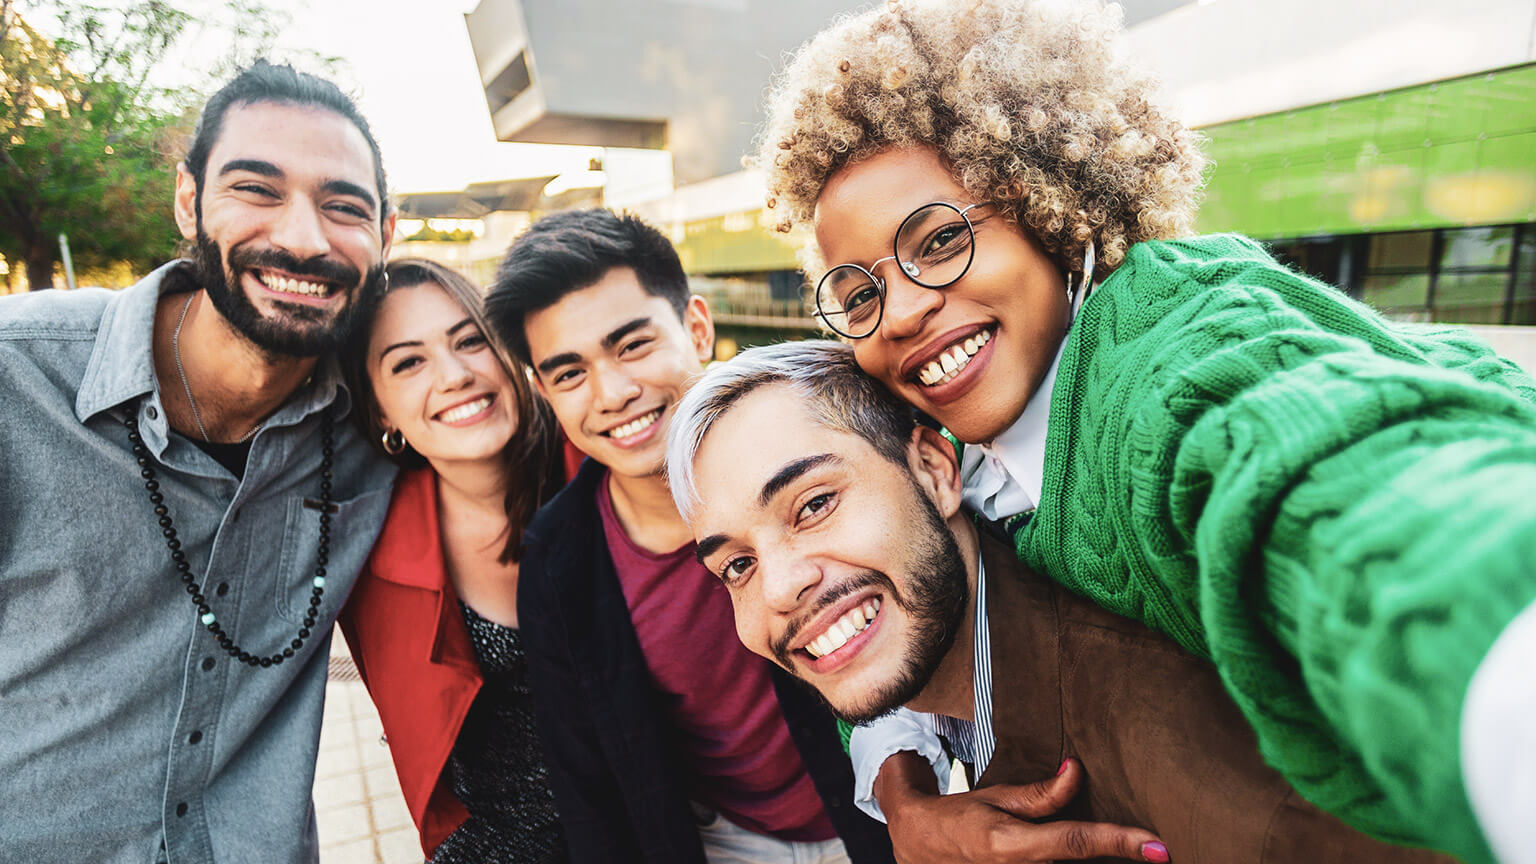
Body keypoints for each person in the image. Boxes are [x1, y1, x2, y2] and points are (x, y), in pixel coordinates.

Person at [750, 3, 1536, 864]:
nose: (899, 313)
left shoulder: (1163, 378)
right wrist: (903, 786)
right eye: (858, 295)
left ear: (1049, 205)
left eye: (939, 242)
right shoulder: (956, 420)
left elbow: (1338, 492)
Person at [666, 339, 1459, 864]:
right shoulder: (952, 651)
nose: (778, 590)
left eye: (812, 505)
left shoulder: (1203, 761)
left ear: (938, 471)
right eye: (734, 565)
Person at [0, 61, 397, 862]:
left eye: (344, 207)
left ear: (385, 236)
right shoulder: (16, 381)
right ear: (189, 201)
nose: (304, 238)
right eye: (256, 189)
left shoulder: (384, 418)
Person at [483, 208, 894, 864]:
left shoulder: (813, 445)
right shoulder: (561, 563)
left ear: (696, 327)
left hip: (885, 812)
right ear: (543, 392)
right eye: (569, 374)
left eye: (633, 345)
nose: (613, 392)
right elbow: (587, 784)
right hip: (723, 841)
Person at [336, 257, 567, 861]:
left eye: (471, 341)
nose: (456, 374)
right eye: (409, 362)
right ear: (381, 408)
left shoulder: (601, 466)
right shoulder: (364, 550)